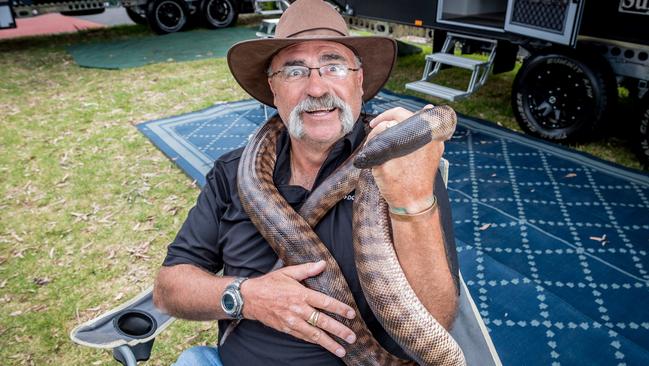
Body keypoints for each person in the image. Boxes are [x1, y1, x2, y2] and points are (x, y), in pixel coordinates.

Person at [153, 0, 460, 364]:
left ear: (359, 81)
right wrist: (246, 297)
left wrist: (411, 201)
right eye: (295, 71)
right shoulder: (232, 172)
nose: (317, 88)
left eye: (334, 66)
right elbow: (168, 289)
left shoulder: (400, 165)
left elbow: (435, 323)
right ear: (273, 88)